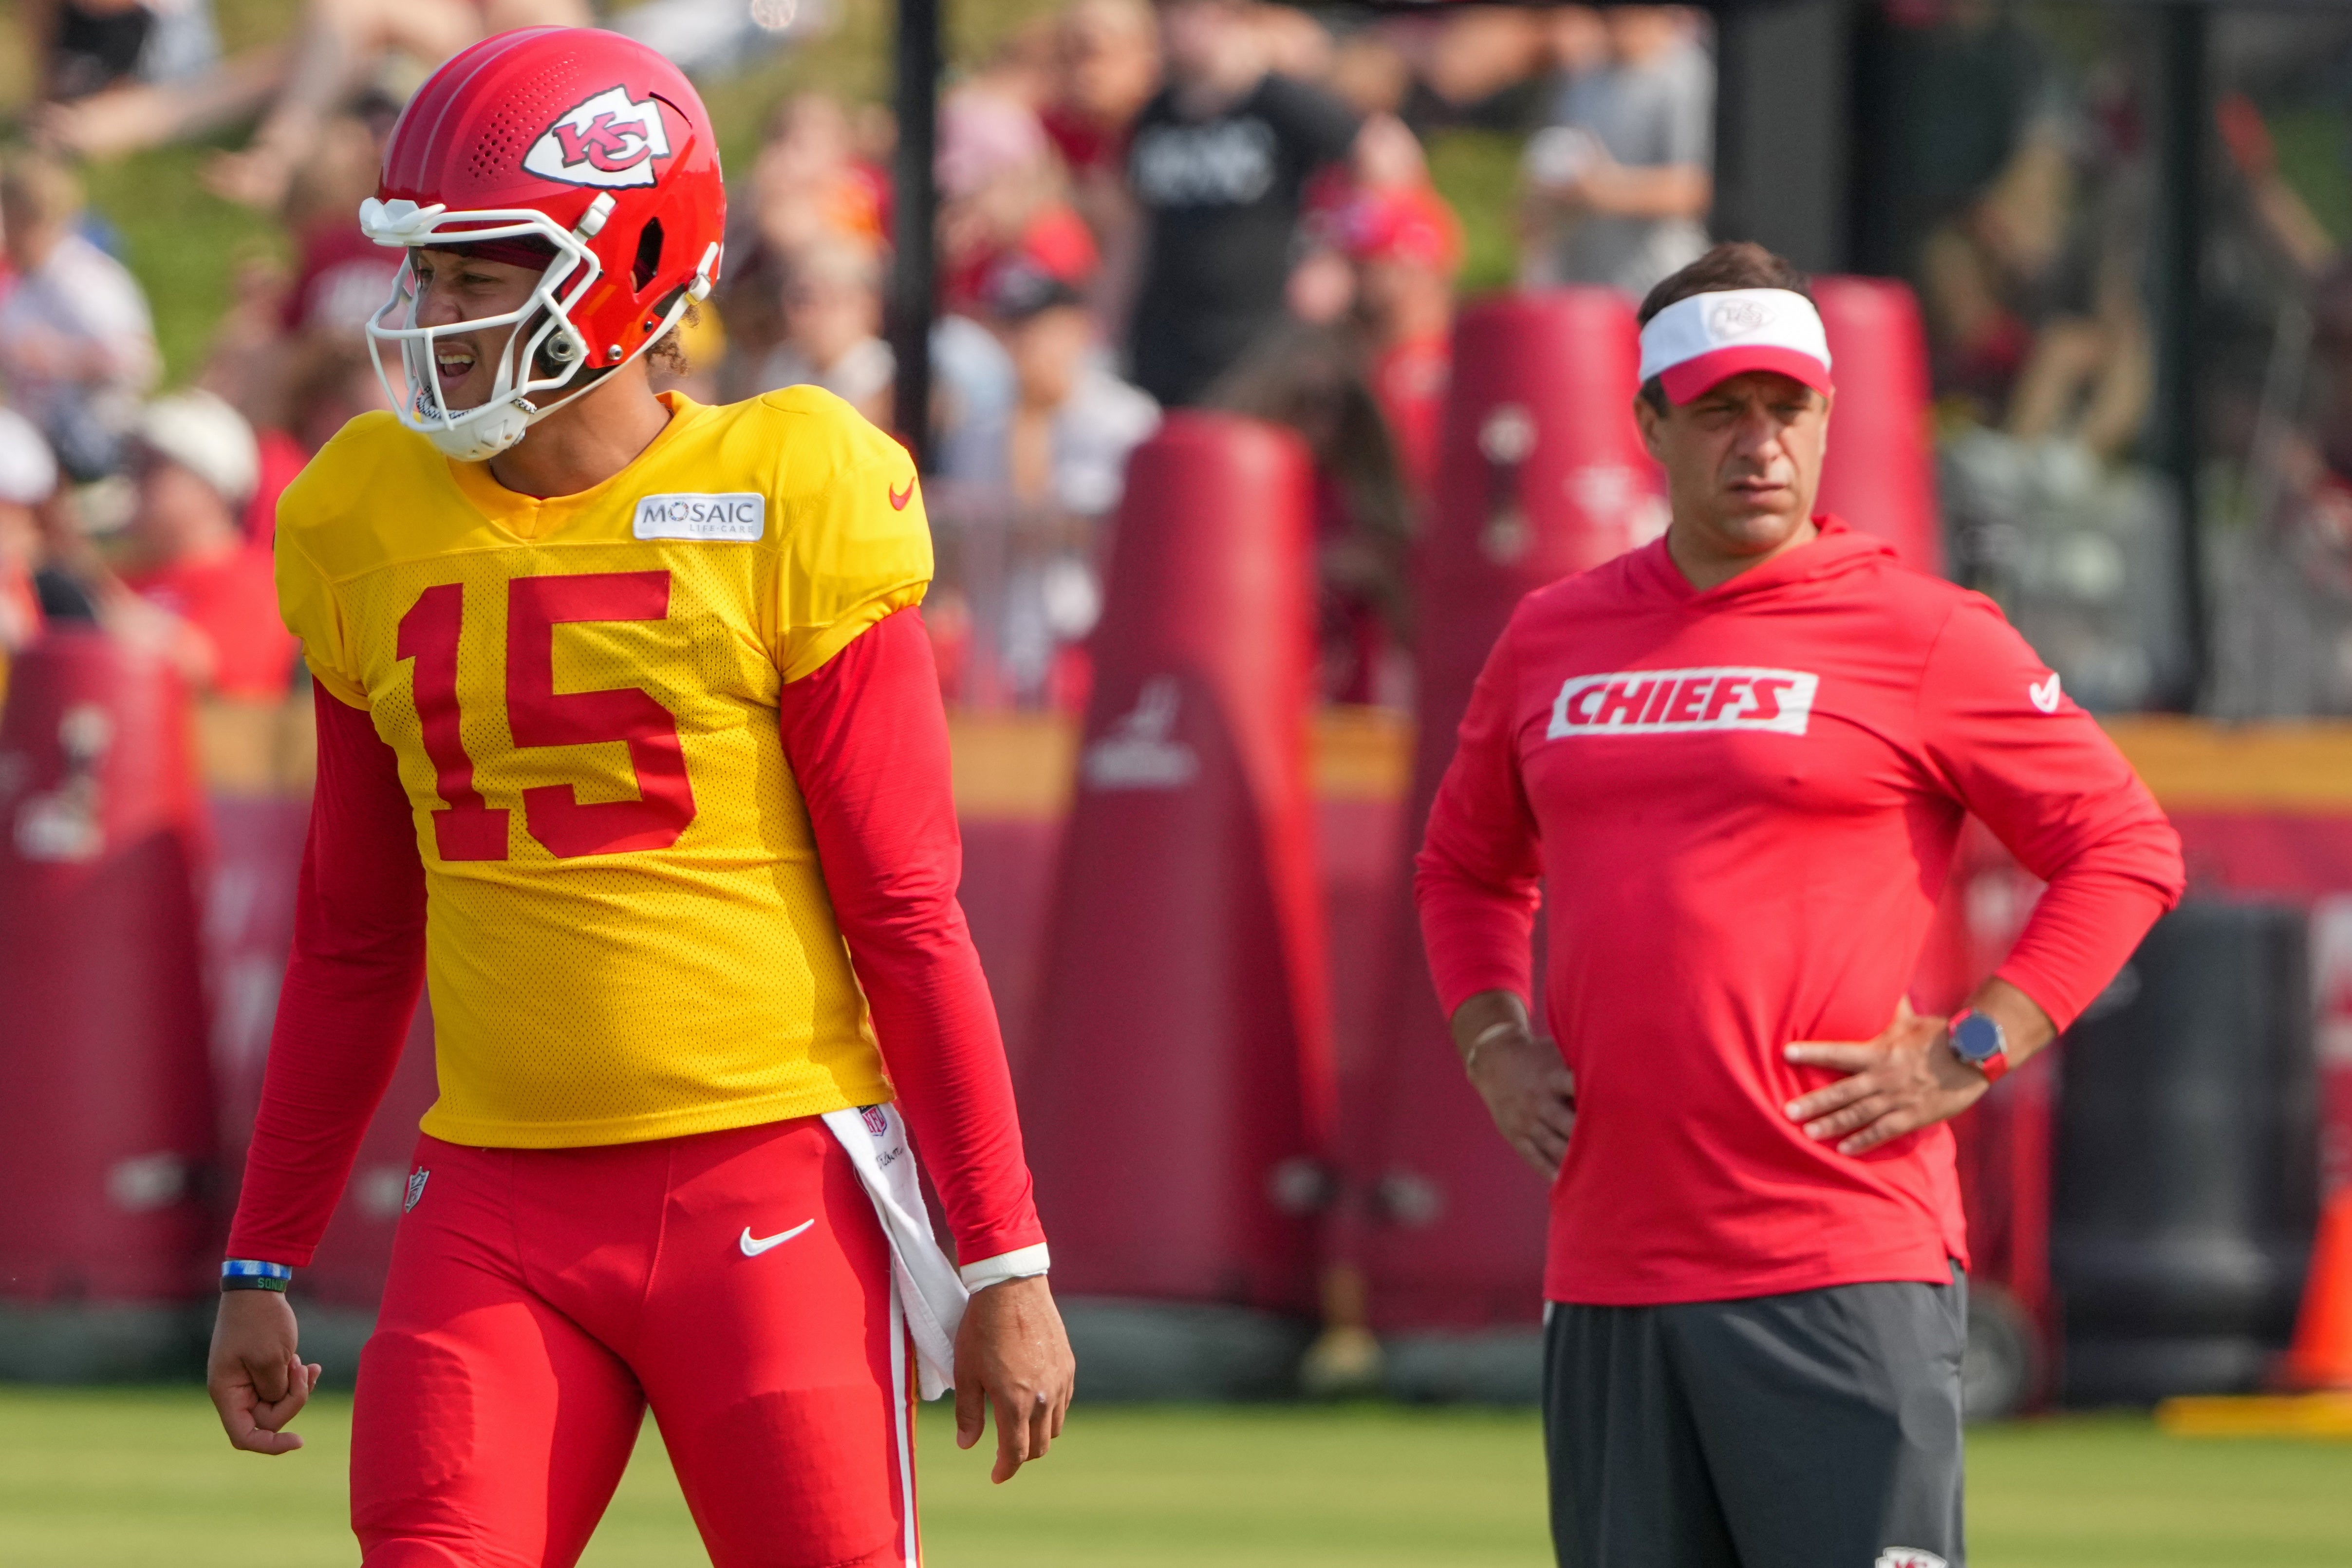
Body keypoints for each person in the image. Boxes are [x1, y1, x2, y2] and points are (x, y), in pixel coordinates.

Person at [204, 29, 1074, 1568]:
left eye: (482, 272)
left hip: (766, 1178)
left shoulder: (786, 485)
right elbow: (352, 935)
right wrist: (264, 1249)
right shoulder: (359, 511)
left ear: (634, 263)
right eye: (429, 271)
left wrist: (1002, 1251)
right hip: (493, 1195)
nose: (435, 316)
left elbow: (904, 907)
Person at [1414, 242, 2183, 1568]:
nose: (1757, 444)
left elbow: (2122, 847)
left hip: (1837, 1258)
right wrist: (1492, 1043)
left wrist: (1971, 1044)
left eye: (1786, 408)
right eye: (1719, 410)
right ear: (1650, 422)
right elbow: (1465, 867)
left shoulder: (1924, 631)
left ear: (1828, 414)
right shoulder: (1550, 632)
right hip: (1609, 1268)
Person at [1122, 0, 1361, 407]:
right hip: (1165, 337)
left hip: (1258, 334)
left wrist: (1333, 254)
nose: (1164, 30)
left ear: (1223, 15)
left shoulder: (1284, 104)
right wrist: (1110, 320)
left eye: (1178, 13)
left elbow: (1388, 166)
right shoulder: (1155, 115)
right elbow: (1133, 231)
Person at [1520, 5, 1712, 299]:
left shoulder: (1687, 75)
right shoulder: (1580, 82)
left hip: (1664, 285)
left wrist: (1604, 190)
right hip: (1587, 288)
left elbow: (1693, 189)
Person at [116, 388, 297, 699]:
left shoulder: (255, 581)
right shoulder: (123, 573)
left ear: (212, 487)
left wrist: (84, 602)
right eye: (135, 461)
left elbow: (198, 670)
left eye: (154, 464)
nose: (136, 476)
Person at [0, 150, 160, 480]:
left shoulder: (85, 280)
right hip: (38, 429)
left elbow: (138, 361)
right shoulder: (25, 281)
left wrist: (59, 357)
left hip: (93, 436)